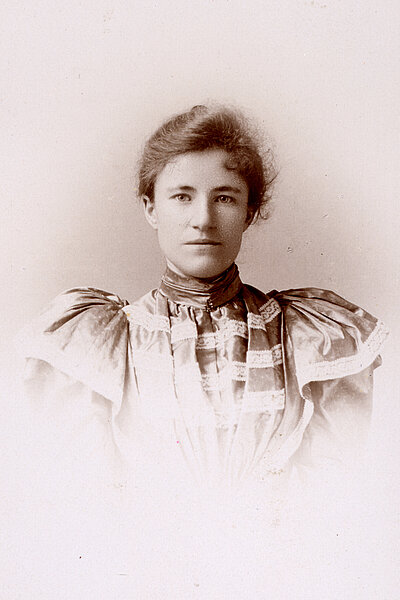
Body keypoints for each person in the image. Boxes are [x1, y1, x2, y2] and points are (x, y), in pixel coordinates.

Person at [17, 104, 388, 519]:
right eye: (182, 197)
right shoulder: (98, 341)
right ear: (151, 208)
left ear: (249, 212)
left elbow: (333, 494)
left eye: (224, 198)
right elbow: (84, 502)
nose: (204, 220)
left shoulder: (310, 337)